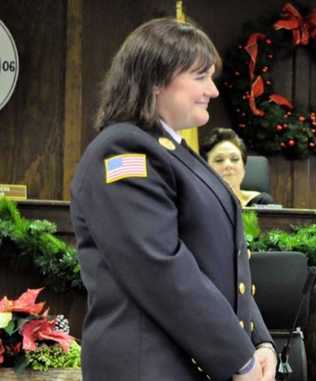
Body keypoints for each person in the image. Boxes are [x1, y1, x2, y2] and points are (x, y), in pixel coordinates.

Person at [70, 18, 276, 381]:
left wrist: (259, 342)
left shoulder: (172, 151)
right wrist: (238, 359)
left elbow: (221, 267)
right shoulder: (124, 152)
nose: (213, 90)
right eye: (200, 77)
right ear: (154, 81)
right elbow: (161, 269)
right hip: (147, 367)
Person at [200, 128, 274, 207]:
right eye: (219, 160)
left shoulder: (261, 202)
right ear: (206, 169)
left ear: (243, 167)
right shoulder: (199, 205)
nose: (228, 165)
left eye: (234, 159)